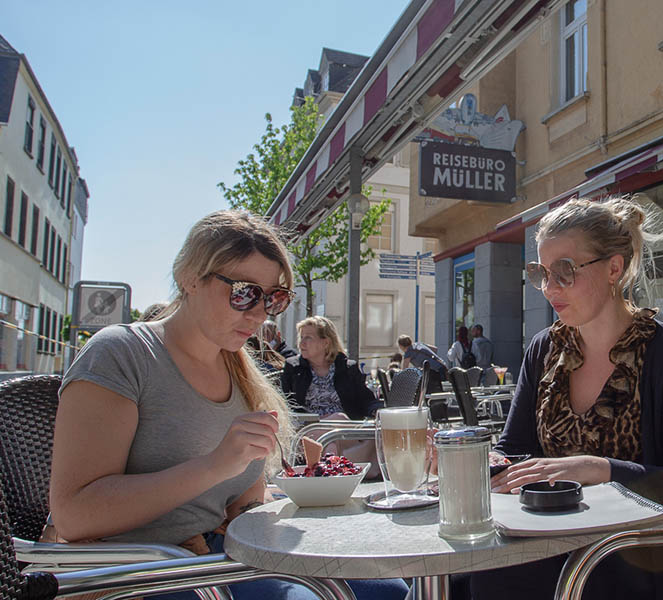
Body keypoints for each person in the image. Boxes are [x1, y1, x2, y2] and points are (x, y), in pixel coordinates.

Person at [49, 210, 407, 600]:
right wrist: (214, 467)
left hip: (218, 554)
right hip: (141, 572)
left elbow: (242, 501)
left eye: (274, 298)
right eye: (244, 292)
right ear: (190, 277)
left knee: (387, 587)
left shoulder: (238, 368)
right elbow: (74, 514)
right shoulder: (121, 354)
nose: (259, 313)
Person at [471, 197, 663, 600]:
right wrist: (475, 461)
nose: (550, 288)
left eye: (565, 271)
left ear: (614, 268)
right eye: (541, 273)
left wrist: (600, 468)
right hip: (546, 545)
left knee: (490, 582)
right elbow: (514, 451)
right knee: (456, 574)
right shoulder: (544, 350)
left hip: (636, 557)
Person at [281, 316, 382, 469]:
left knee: (347, 430)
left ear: (325, 342)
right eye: (301, 337)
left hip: (344, 429)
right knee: (334, 433)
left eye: (308, 337)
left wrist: (377, 410)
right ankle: (348, 465)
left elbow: (366, 399)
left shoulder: (347, 368)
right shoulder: (294, 369)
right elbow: (284, 404)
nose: (301, 343)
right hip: (308, 429)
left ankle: (329, 467)